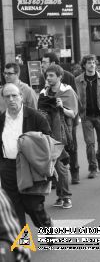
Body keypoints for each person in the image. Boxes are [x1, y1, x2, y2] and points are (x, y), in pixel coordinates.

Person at [0, 83, 53, 228]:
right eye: (7, 96)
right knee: (14, 208)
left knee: (33, 206)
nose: (11, 99)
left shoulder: (35, 117)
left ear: (21, 97)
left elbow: (48, 141)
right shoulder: (1, 120)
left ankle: (47, 227)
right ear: (3, 99)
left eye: (14, 95)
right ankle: (21, 244)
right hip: (8, 169)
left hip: (30, 168)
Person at [38, 65, 78, 209]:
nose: (48, 78)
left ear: (60, 77)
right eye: (47, 76)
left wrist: (62, 107)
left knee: (61, 166)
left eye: (51, 76)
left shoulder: (67, 91)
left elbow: (73, 114)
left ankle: (66, 197)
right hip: (47, 134)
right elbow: (40, 112)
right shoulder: (44, 92)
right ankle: (61, 196)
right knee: (54, 165)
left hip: (62, 133)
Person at [75, 55, 100, 179]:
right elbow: (76, 97)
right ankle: (93, 167)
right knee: (90, 143)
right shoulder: (78, 80)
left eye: (93, 62)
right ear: (84, 65)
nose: (92, 65)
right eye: (89, 63)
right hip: (86, 116)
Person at [0, 188, 31, 262]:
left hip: (30, 186)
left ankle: (48, 226)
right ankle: (24, 241)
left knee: (36, 211)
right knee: (19, 215)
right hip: (10, 183)